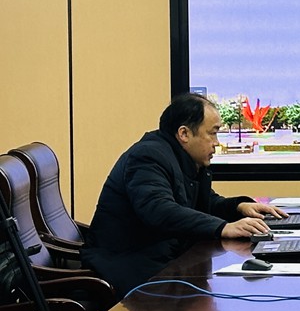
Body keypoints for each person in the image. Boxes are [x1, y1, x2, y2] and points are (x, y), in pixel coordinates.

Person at [82, 93, 285, 296]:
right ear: (184, 133)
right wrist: (223, 227)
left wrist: (239, 207)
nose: (217, 143)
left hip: (164, 260)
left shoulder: (184, 159)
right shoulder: (148, 156)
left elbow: (204, 202)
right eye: (212, 133)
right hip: (133, 267)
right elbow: (158, 210)